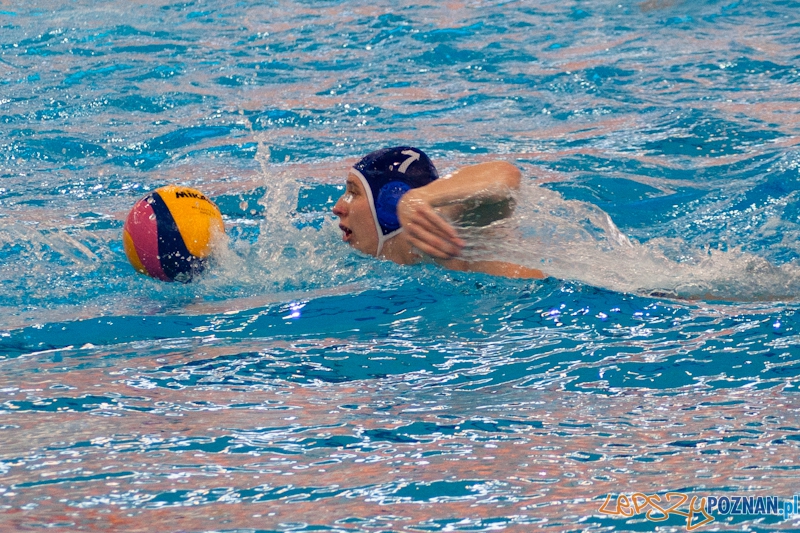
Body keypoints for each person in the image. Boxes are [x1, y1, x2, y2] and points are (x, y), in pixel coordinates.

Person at [332, 146, 546, 279]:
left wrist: (415, 200)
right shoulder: (392, 260)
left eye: (354, 192)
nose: (338, 207)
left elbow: (505, 176)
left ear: (389, 202)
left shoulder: (446, 225)